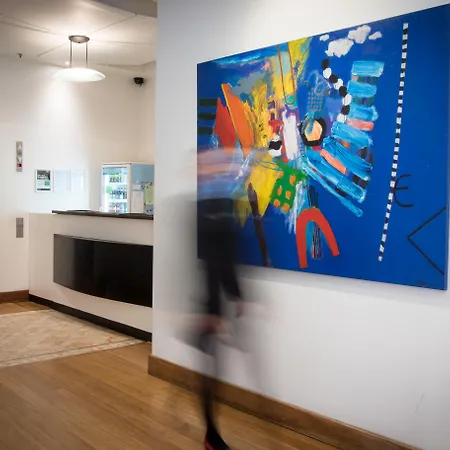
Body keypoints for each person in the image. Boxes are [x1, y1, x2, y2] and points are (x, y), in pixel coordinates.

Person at [196, 149, 243, 450]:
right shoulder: (201, 209)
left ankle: (211, 434)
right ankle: (211, 436)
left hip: (217, 303)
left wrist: (238, 296)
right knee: (211, 371)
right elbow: (209, 260)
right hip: (205, 304)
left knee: (213, 369)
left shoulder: (225, 204)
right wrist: (212, 310)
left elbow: (226, 256)